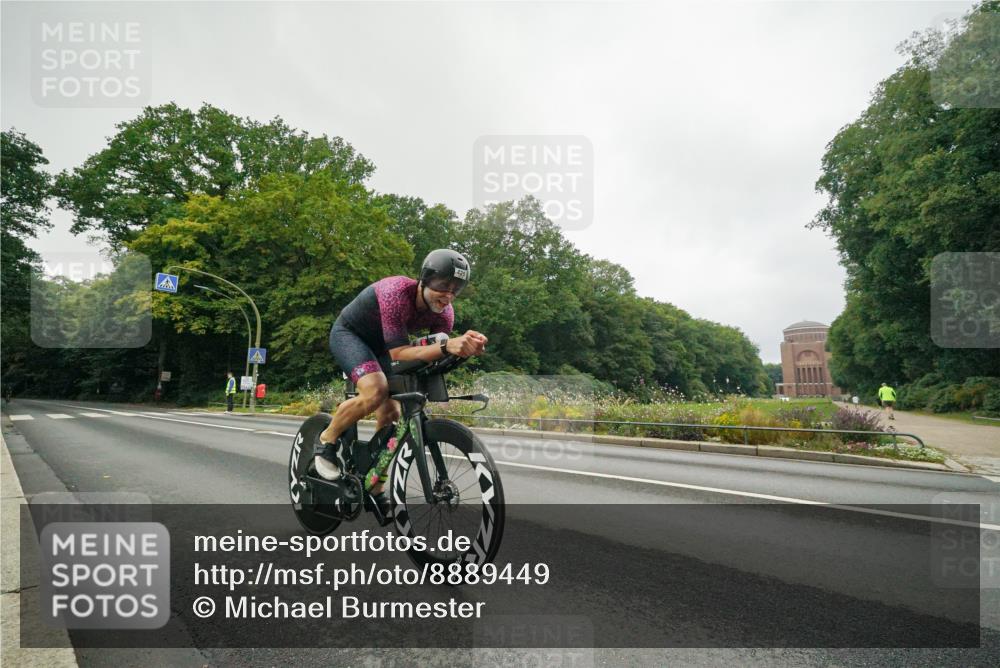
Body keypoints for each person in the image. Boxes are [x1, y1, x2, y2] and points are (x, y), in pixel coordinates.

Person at [316, 249, 488, 514]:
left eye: (456, 290)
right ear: (424, 279)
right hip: (351, 336)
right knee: (376, 391)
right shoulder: (396, 292)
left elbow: (433, 354)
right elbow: (399, 353)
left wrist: (463, 350)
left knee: (392, 412)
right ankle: (327, 440)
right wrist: (447, 346)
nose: (448, 296)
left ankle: (374, 485)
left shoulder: (445, 314)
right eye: (443, 286)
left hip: (385, 346)